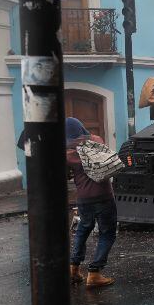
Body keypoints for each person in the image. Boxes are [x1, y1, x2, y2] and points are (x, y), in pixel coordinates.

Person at [66, 117, 117, 288]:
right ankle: (94, 273)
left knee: (82, 230)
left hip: (83, 198)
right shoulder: (95, 141)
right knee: (107, 233)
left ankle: (73, 268)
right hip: (103, 195)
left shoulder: (66, 153)